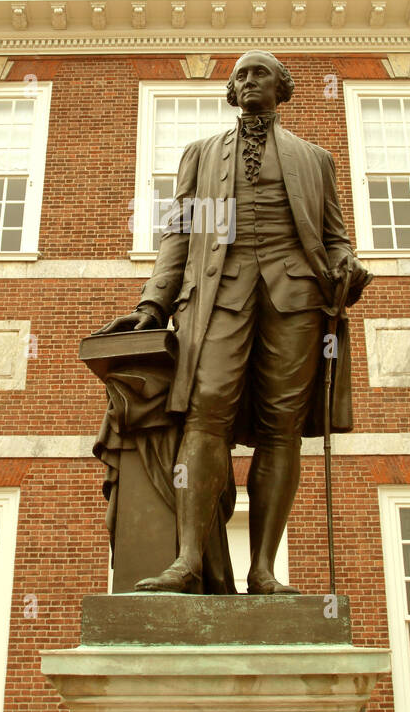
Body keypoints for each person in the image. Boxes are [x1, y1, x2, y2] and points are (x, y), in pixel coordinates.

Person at [99, 50, 371, 593]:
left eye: (260, 73)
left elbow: (335, 236)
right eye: (241, 75)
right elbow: (178, 233)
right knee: (205, 417)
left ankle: (264, 570)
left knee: (282, 430)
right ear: (231, 90)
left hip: (294, 298)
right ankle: (189, 561)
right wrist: (154, 304)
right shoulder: (201, 155)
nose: (249, 81)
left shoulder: (315, 158)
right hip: (217, 296)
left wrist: (346, 266)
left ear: (282, 88)